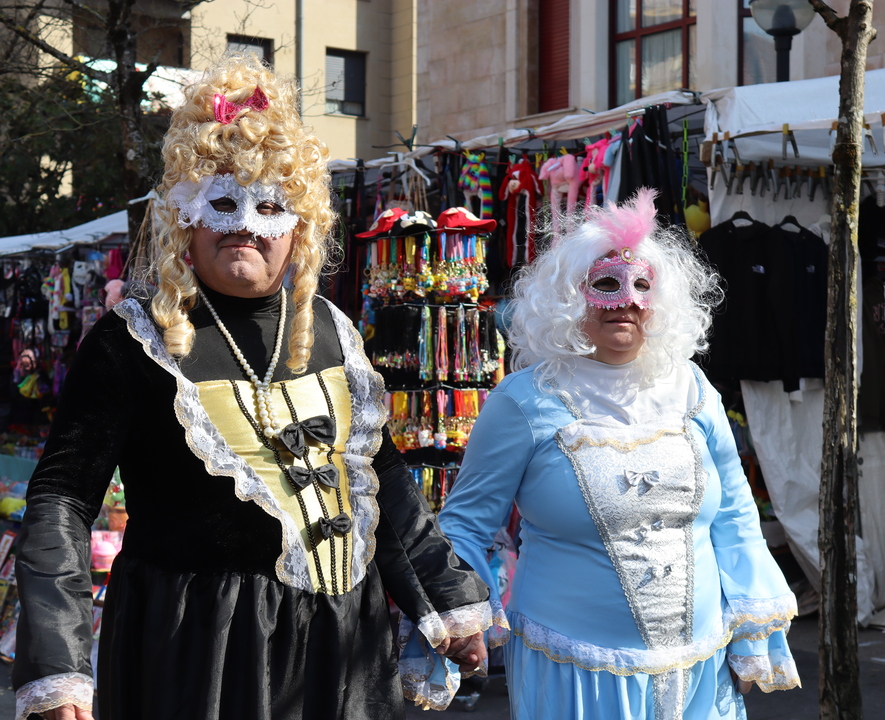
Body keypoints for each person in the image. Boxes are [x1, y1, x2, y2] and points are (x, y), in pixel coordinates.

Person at [13, 54, 490, 720]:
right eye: (222, 201)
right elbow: (62, 499)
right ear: (186, 216)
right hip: (199, 649)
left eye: (269, 205)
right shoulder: (133, 339)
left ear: (299, 226)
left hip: (344, 651)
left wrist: (447, 600)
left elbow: (379, 478)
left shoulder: (333, 330)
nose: (245, 224)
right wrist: (59, 661)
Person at [437, 190, 801, 720]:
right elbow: (466, 525)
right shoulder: (523, 400)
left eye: (642, 286)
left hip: (702, 670)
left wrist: (752, 627)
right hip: (575, 674)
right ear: (568, 297)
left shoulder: (693, 387)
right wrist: (463, 617)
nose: (626, 301)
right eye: (606, 285)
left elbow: (735, 516)